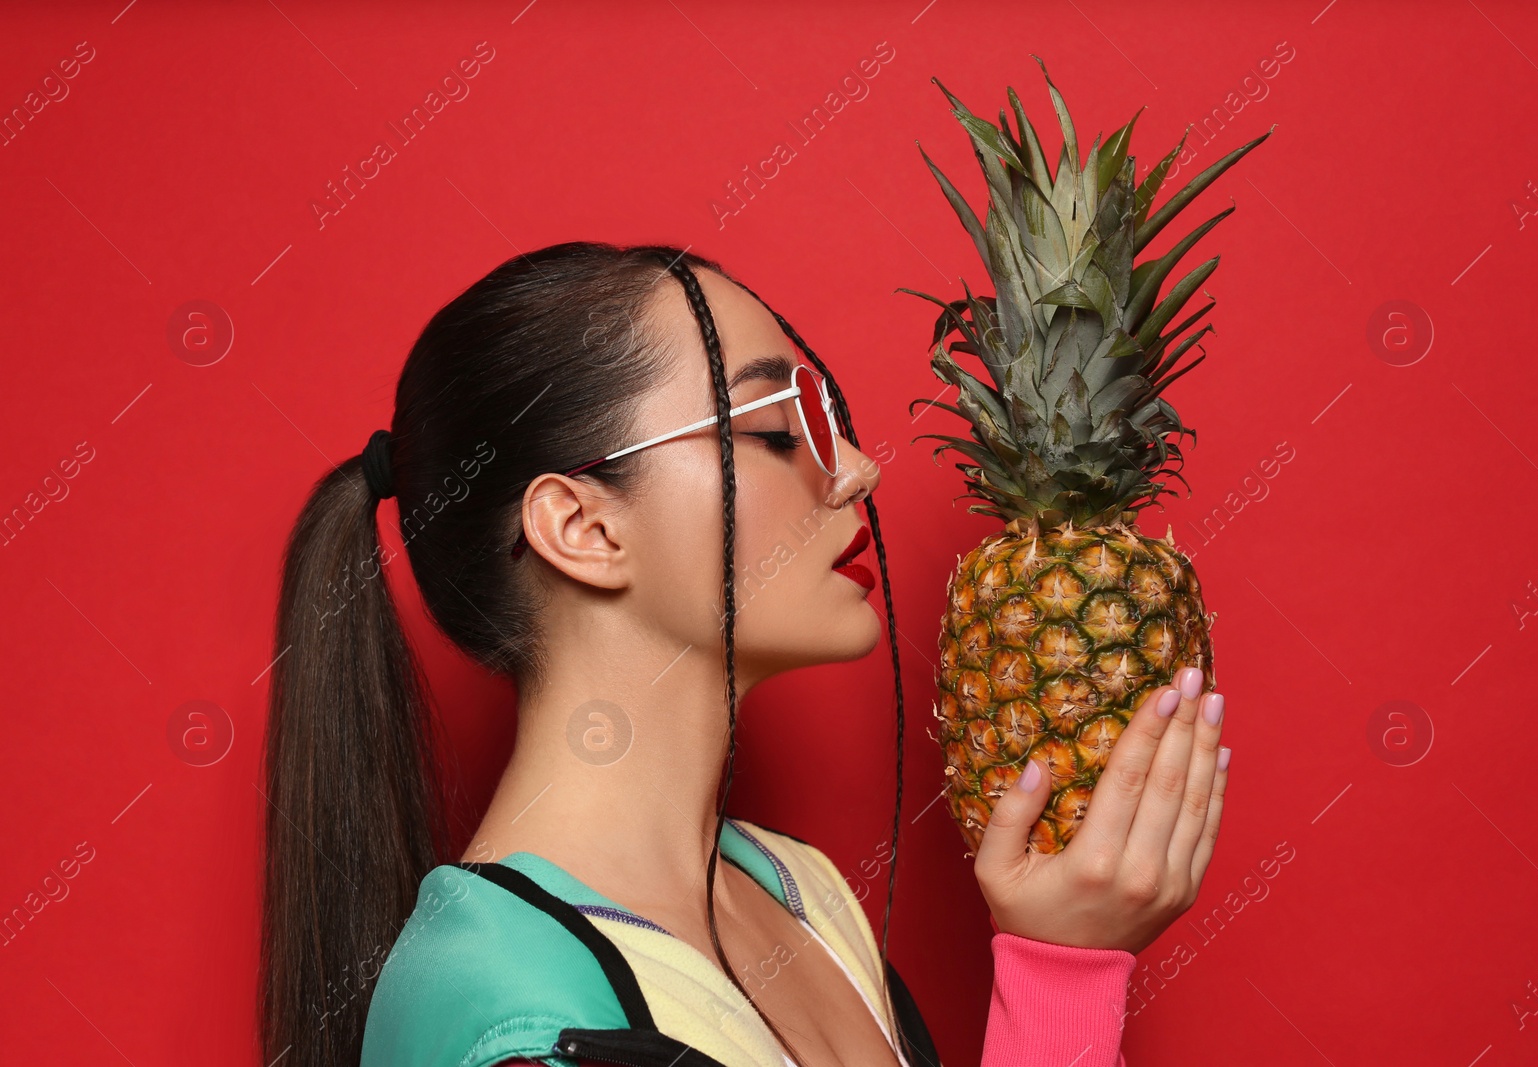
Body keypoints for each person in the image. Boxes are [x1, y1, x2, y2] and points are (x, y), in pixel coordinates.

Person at [257, 241, 1229, 1067]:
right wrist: (1061, 979)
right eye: (775, 427)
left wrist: (1060, 946)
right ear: (583, 526)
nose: (855, 466)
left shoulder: (795, 887)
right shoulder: (516, 1011)